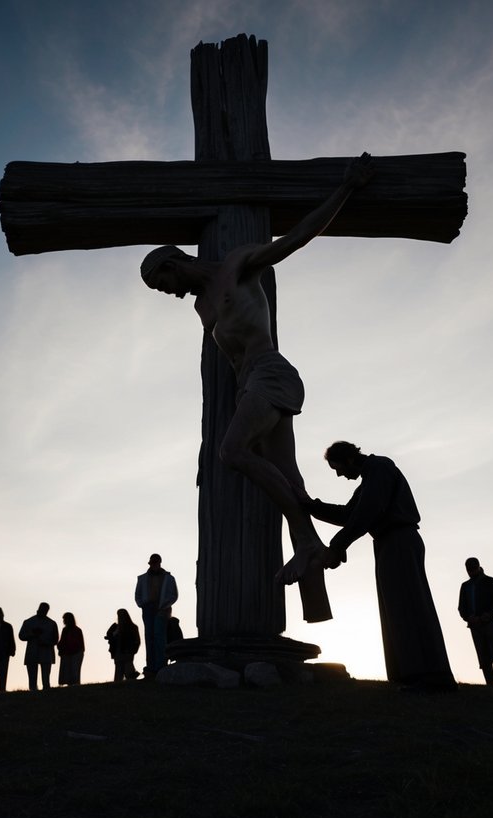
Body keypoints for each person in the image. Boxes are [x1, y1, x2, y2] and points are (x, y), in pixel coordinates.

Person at [141, 154, 373, 594]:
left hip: (271, 372)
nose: (167, 294)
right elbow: (230, 360)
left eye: (162, 285)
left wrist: (347, 187)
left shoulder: (236, 266)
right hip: (251, 387)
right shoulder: (201, 306)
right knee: (289, 477)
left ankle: (307, 543)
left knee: (232, 451)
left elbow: (298, 237)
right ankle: (314, 558)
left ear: (172, 264)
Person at [297, 441, 455, 691]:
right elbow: (349, 514)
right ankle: (409, 673)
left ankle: (430, 676)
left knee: (408, 605)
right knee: (395, 608)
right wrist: (310, 506)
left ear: (349, 459)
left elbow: (368, 511)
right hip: (387, 543)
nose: (339, 475)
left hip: (399, 540)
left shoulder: (380, 467)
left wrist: (337, 545)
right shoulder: (368, 480)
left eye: (338, 468)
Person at [458, 558, 493, 687]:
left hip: (490, 623)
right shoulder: (465, 586)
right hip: (475, 626)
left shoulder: (491, 581)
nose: (471, 571)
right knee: (483, 657)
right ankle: (490, 684)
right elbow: (462, 607)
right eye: (469, 569)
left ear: (478, 566)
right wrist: (468, 618)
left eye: (472, 568)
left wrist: (489, 614)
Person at [134, 554, 178, 677]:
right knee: (149, 637)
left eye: (155, 563)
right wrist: (143, 604)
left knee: (159, 637)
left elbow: (174, 595)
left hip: (162, 610)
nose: (153, 565)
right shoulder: (142, 579)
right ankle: (151, 666)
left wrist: (164, 605)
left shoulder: (168, 578)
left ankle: (160, 666)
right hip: (148, 609)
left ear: (159, 563)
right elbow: (137, 595)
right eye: (152, 563)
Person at [18, 602, 58, 691]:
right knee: (33, 678)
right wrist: (32, 634)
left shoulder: (51, 623)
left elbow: (55, 639)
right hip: (33, 652)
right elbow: (21, 636)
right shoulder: (29, 622)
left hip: (45, 653)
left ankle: (44, 690)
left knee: (45, 678)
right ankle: (35, 691)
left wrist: (46, 643)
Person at [105, 609, 141, 682]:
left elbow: (137, 641)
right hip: (119, 653)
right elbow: (109, 635)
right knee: (119, 673)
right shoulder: (115, 627)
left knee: (128, 672)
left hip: (127, 653)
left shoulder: (132, 627)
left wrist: (132, 651)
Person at [57, 612, 85, 686]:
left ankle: (75, 684)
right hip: (68, 653)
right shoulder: (65, 630)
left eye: (65, 619)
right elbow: (62, 641)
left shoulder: (77, 630)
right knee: (68, 671)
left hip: (76, 653)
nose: (64, 621)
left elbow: (80, 644)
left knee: (74, 670)